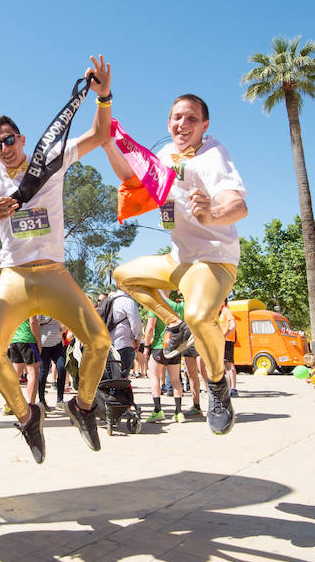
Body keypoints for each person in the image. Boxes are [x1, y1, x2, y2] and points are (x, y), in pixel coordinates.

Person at [0, 55, 113, 463]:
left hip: (54, 274)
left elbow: (98, 135)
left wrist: (103, 97)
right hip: (14, 279)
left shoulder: (51, 161)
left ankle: (83, 405)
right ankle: (28, 418)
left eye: (9, 140)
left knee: (99, 341)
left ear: (22, 139)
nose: (4, 149)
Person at [106, 94, 247, 435]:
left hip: (213, 260)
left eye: (191, 119)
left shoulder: (213, 156)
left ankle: (217, 387)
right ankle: (174, 325)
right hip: (178, 260)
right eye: (177, 118)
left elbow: (238, 204)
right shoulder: (166, 154)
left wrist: (213, 213)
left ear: (205, 125)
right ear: (168, 122)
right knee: (123, 275)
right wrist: (107, 141)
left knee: (199, 315)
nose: (182, 125)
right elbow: (130, 173)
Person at [143, 292, 185, 423]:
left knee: (154, 376)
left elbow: (150, 328)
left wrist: (146, 346)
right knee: (176, 379)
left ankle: (157, 410)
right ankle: (179, 412)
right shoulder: (178, 306)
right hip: (175, 346)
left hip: (159, 345)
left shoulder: (155, 306)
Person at [105, 288, 143, 377]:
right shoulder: (128, 302)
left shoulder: (107, 301)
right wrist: (137, 339)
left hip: (106, 345)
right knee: (121, 379)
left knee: (108, 379)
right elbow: (136, 324)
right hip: (124, 345)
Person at [9, 317, 42, 410]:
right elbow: (32, 321)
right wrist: (38, 341)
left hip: (15, 340)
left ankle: (8, 404)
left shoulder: (13, 305)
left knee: (16, 374)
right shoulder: (31, 303)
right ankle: (31, 406)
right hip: (28, 339)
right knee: (33, 373)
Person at [37, 316, 66, 410]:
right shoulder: (40, 309)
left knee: (62, 368)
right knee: (43, 372)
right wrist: (48, 318)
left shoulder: (58, 309)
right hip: (43, 344)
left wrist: (63, 328)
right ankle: (41, 400)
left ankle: (60, 399)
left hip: (57, 344)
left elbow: (63, 325)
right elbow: (35, 323)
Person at [219, 300, 238, 398]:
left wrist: (225, 335)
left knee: (229, 364)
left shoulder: (226, 311)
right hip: (220, 341)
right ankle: (228, 388)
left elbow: (233, 325)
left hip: (227, 341)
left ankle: (233, 388)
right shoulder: (219, 312)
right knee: (224, 365)